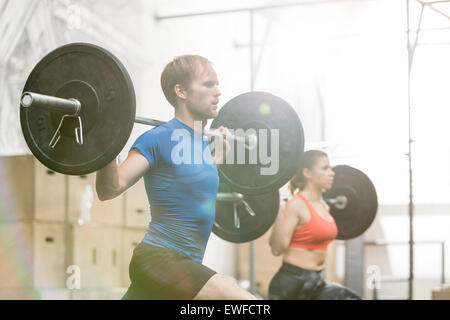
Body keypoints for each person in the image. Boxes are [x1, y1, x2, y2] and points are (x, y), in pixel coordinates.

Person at [96, 55, 256, 300]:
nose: (218, 92)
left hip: (182, 266)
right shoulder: (158, 138)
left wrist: (219, 154)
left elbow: (190, 181)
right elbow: (110, 188)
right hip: (160, 259)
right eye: (208, 84)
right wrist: (106, 138)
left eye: (217, 84)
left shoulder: (200, 144)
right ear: (181, 91)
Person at [268, 150, 361, 300]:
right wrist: (277, 211)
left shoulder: (324, 206)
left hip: (316, 283)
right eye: (325, 168)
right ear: (307, 173)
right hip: (292, 285)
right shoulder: (296, 204)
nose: (332, 173)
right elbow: (277, 249)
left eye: (330, 168)